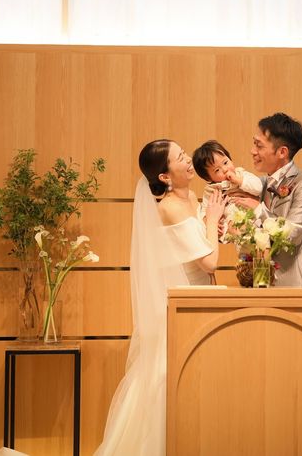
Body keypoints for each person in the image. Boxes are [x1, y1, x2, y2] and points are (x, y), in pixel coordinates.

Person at [95, 139, 226, 455]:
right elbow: (209, 262)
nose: (188, 160)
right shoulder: (168, 207)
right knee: (169, 384)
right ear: (165, 176)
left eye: (184, 153)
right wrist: (212, 219)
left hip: (202, 303)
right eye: (180, 157)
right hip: (183, 310)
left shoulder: (191, 197)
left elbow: (202, 247)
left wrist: (216, 222)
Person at [233, 113, 302, 286]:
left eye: (259, 146)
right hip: (260, 284)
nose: (253, 151)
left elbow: (292, 235)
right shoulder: (259, 185)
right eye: (254, 143)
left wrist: (258, 209)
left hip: (296, 286)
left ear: (282, 152)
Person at [192, 138, 262, 214]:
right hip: (226, 220)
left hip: (250, 216)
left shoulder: (241, 174)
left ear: (230, 159)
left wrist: (239, 181)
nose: (225, 169)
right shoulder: (211, 190)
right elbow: (205, 211)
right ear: (208, 178)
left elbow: (258, 188)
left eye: (225, 163)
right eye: (217, 170)